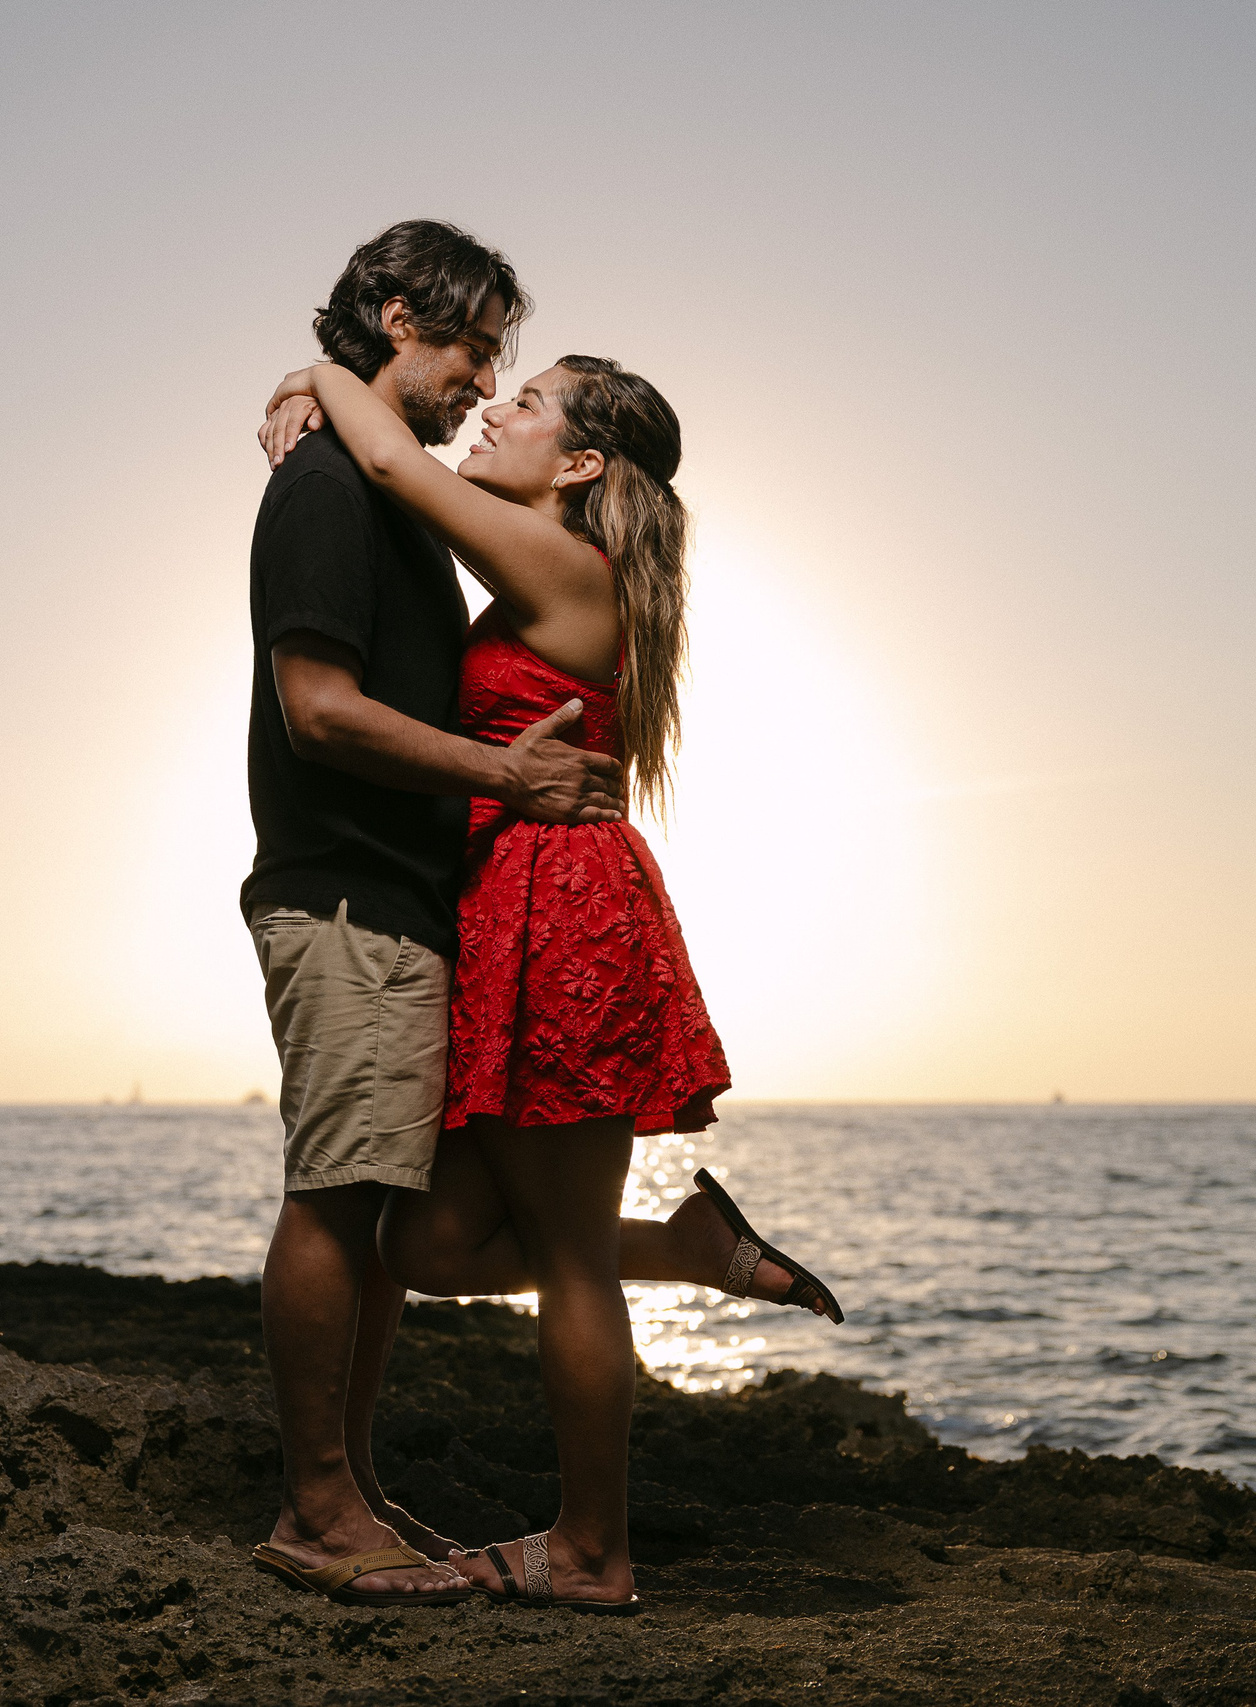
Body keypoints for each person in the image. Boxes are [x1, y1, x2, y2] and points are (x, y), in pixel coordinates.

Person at [256, 341, 844, 1611]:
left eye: (524, 403)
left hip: (556, 909)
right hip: (511, 906)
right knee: (426, 1235)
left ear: (579, 462)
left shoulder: (560, 560)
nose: (497, 411)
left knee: (564, 1258)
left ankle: (589, 1553)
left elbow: (389, 459)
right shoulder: (564, 570)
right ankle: (690, 1248)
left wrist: (317, 366)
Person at [241, 220, 629, 1609]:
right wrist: (500, 775)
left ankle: (345, 1481)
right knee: (342, 1201)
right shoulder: (336, 492)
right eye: (476, 349)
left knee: (393, 1218)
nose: (483, 381)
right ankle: (317, 1504)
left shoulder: (411, 501)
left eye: (511, 377)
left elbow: (411, 458)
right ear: (402, 317)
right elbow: (319, 708)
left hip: (433, 902)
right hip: (350, 887)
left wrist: (316, 372)